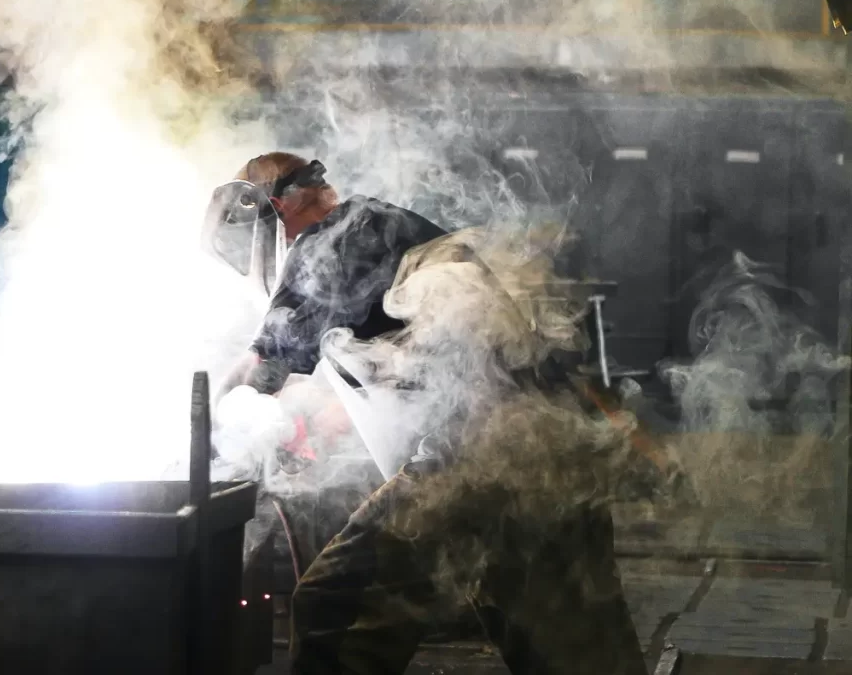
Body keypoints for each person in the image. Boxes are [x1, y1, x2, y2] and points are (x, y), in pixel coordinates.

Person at [204, 152, 647, 675]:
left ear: (278, 209)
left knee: (332, 605)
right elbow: (396, 368)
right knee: (567, 644)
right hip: (547, 451)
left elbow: (265, 362)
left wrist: (204, 416)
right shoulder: (389, 237)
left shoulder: (339, 234)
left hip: (483, 454)